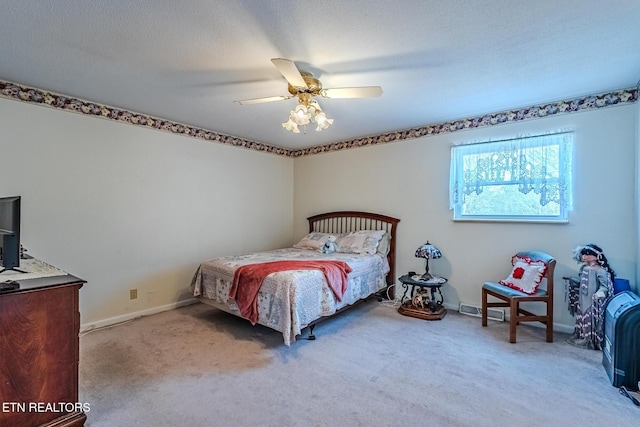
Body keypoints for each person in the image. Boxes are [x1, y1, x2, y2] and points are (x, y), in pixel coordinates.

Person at [567, 244, 615, 349]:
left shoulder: (600, 271)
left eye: (587, 254)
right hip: (583, 299)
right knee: (582, 317)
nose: (584, 256)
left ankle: (589, 340)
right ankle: (581, 335)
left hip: (592, 301)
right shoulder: (584, 268)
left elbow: (605, 286)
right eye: (583, 254)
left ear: (596, 256)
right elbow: (581, 282)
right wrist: (572, 280)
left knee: (590, 319)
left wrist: (599, 293)